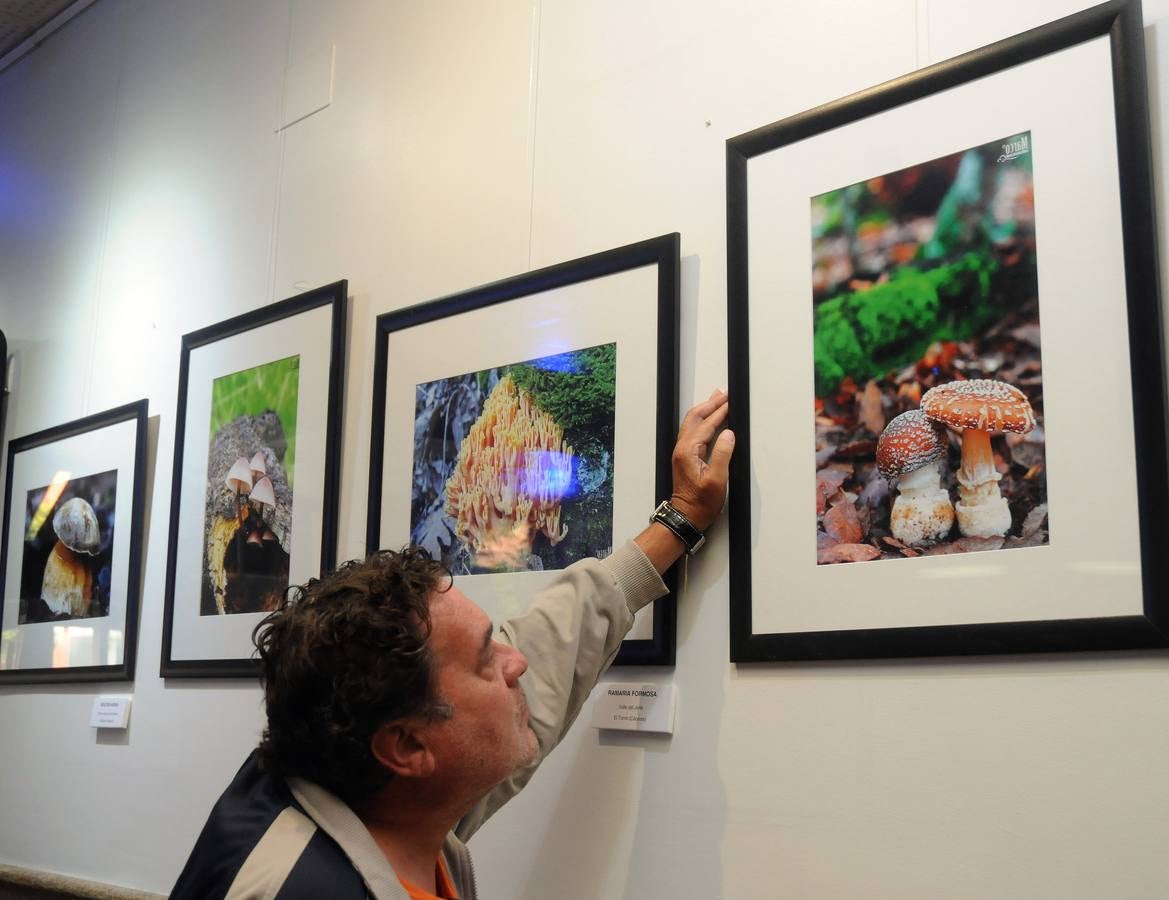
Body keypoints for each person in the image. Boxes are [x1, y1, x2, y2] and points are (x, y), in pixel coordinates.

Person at [171, 390, 733, 900]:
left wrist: (680, 519)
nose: (517, 661)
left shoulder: (382, 794)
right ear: (408, 745)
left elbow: (550, 646)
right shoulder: (298, 886)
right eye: (487, 660)